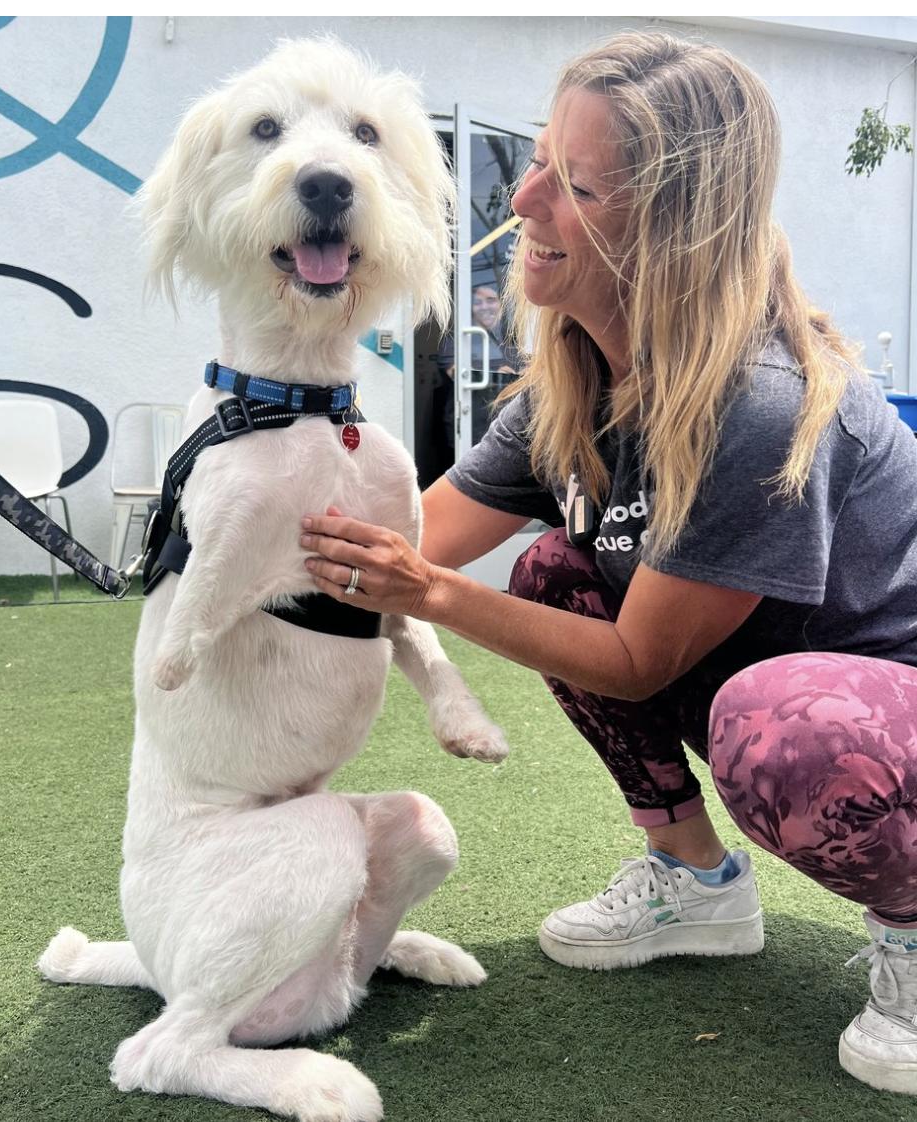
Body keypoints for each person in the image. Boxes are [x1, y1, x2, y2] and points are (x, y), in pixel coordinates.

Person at [299, 31, 917, 1096]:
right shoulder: (572, 391)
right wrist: (260, 475)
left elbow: (630, 659)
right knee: (550, 572)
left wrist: (428, 595)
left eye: (572, 183)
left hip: (859, 719)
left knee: (778, 726)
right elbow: (414, 535)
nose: (523, 199)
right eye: (536, 160)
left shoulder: (757, 404)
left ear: (672, 233)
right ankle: (692, 881)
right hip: (777, 701)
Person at [436, 285, 521, 453]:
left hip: (511, 427)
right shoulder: (456, 338)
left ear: (501, 305)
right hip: (469, 425)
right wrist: (498, 375)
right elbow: (457, 373)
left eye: (491, 300)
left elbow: (531, 373)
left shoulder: (514, 340)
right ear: (470, 308)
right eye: (477, 302)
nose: (485, 307)